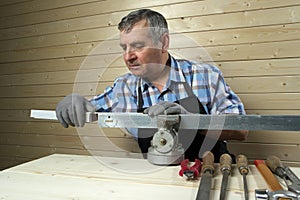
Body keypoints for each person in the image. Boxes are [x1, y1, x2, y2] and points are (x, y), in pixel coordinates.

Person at [56, 9, 248, 162]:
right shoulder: (124, 86)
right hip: (156, 178)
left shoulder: (205, 76)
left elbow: (241, 130)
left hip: (210, 170)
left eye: (138, 46)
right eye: (124, 47)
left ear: (163, 43)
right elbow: (91, 106)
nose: (128, 56)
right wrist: (76, 101)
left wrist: (192, 120)